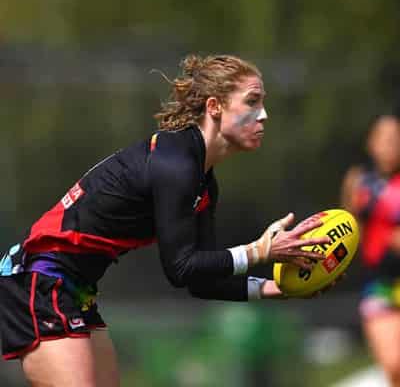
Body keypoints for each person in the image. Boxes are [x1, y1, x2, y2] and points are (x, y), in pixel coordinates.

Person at [0, 54, 330, 387]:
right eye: (252, 101)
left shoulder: (203, 182)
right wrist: (260, 252)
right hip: (39, 279)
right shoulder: (176, 164)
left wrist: (275, 288)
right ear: (215, 106)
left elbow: (201, 280)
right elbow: (180, 268)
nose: (264, 114)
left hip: (75, 289)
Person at [341, 114, 400, 387]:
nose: (392, 145)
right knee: (393, 364)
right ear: (372, 144)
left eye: (396, 139)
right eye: (386, 139)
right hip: (379, 284)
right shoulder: (359, 183)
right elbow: (349, 233)